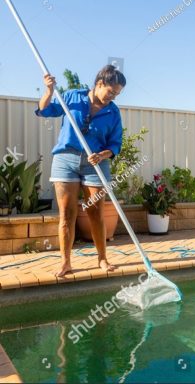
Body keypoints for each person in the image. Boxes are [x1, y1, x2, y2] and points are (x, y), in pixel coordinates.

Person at [36, 65, 126, 277]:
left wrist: (103, 155)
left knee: (95, 211)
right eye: (111, 91)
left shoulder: (113, 111)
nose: (112, 97)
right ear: (99, 83)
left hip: (96, 163)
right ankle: (65, 262)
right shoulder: (72, 97)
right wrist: (49, 91)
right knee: (67, 214)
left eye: (117, 94)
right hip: (65, 159)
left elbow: (116, 143)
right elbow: (44, 110)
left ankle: (102, 259)